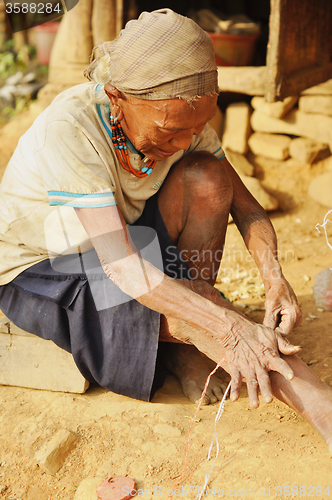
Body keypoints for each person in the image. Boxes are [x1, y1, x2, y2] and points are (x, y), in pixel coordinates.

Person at [0, 8, 332, 453]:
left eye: (195, 127)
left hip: (124, 238)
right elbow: (124, 270)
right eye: (170, 131)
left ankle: (186, 341)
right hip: (45, 267)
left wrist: (275, 278)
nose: (183, 141)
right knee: (203, 309)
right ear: (117, 97)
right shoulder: (70, 129)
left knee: (209, 181)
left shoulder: (185, 121)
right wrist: (227, 324)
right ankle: (320, 406)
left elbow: (247, 209)